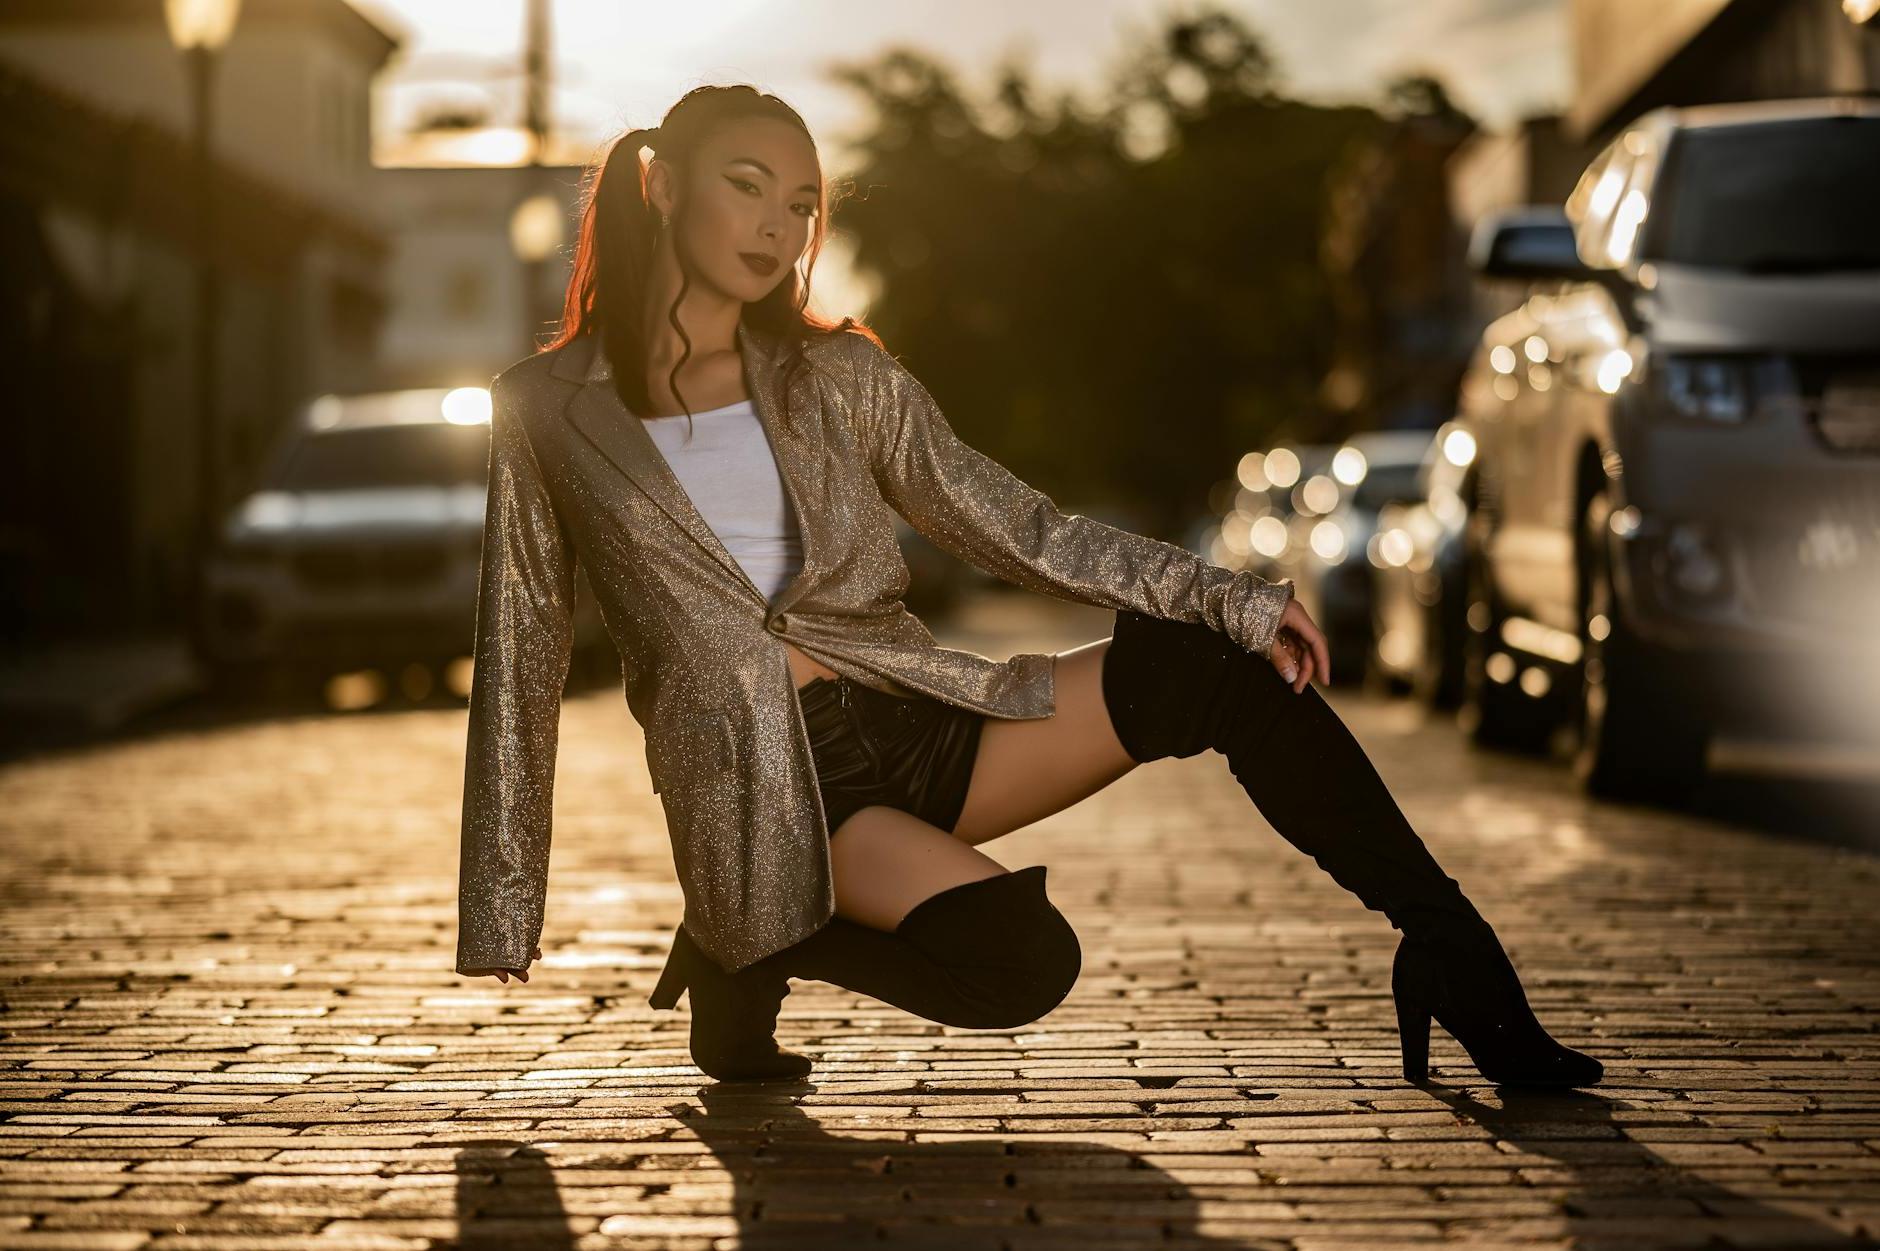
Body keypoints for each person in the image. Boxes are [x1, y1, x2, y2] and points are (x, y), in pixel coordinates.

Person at [455, 83, 1603, 1090]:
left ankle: (1452, 956)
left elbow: (1016, 527)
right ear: (658, 184)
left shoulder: (840, 375)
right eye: (745, 185)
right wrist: (503, 899)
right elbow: (521, 651)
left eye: (800, 203)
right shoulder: (547, 408)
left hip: (920, 723)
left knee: (1220, 675)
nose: (775, 224)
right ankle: (745, 935)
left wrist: (1227, 597)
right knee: (1019, 962)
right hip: (776, 794)